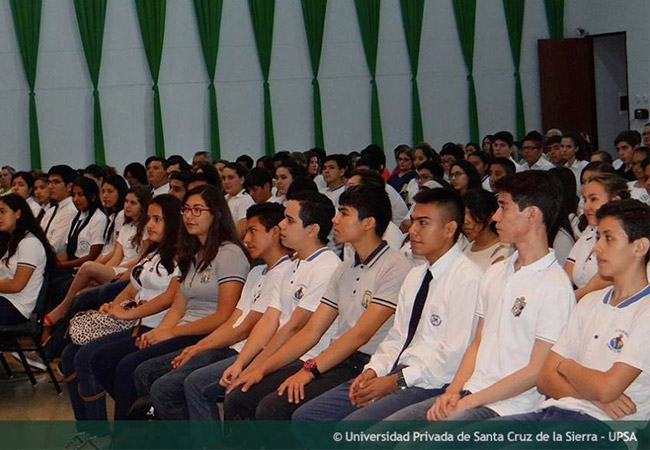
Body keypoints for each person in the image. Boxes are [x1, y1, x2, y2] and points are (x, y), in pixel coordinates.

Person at [387, 171, 575, 422]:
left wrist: (470, 400)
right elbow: (477, 342)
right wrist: (454, 391)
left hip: (513, 406)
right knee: (379, 436)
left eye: (503, 207)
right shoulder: (497, 272)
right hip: (470, 391)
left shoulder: (555, 285)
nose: (495, 217)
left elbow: (537, 370)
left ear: (532, 214)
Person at [292, 188, 483, 422]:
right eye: (413, 222)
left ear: (450, 229)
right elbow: (397, 337)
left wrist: (393, 382)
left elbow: (450, 358)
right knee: (307, 416)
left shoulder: (467, 278)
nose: (412, 231)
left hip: (433, 383)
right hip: (395, 372)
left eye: (423, 223)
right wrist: (374, 371)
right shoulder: (416, 275)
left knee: (353, 426)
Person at [229, 185, 412, 421]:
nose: (335, 219)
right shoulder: (345, 267)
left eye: (344, 213)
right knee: (247, 394)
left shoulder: (394, 267)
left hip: (371, 363)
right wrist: (259, 369)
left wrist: (309, 371)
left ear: (368, 223)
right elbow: (312, 331)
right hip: (340, 359)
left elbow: (360, 335)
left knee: (279, 409)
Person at [133, 203, 294, 420]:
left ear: (275, 232)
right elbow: (234, 321)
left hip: (252, 351)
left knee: (179, 385)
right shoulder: (257, 272)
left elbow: (244, 328)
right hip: (231, 346)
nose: (246, 239)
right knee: (146, 372)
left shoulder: (285, 273)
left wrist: (198, 349)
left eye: (252, 231)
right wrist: (198, 347)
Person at [506, 199, 650, 425]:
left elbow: (607, 387)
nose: (597, 247)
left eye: (609, 238)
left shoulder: (645, 310)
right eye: (598, 237)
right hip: (556, 410)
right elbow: (545, 379)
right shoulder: (589, 302)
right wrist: (595, 396)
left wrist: (565, 366)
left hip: (604, 427)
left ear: (640, 247)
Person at [59, 194, 182, 422]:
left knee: (87, 357)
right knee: (68, 354)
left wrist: (128, 312)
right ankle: (87, 428)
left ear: (174, 222)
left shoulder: (181, 257)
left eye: (158, 219)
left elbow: (169, 298)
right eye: (149, 219)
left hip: (153, 325)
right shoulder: (154, 253)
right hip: (131, 320)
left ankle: (105, 430)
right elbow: (132, 288)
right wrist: (112, 306)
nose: (150, 225)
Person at [222, 191, 341, 420]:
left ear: (312, 230)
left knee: (257, 402)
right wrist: (244, 365)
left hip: (308, 356)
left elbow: (294, 328)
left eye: (289, 220)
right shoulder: (292, 265)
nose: (281, 225)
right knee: (238, 392)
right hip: (284, 351)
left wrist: (259, 368)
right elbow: (270, 320)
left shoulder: (327, 267)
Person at [44, 186, 151, 327]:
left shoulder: (146, 228)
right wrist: (101, 271)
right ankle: (64, 328)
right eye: (126, 202)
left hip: (129, 270)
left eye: (133, 203)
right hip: (117, 268)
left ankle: (62, 308)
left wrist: (109, 270)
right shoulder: (126, 227)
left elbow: (142, 259)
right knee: (79, 293)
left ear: (143, 206)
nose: (127, 206)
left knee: (87, 266)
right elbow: (116, 256)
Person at [566, 173, 630, 301]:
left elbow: (591, 289)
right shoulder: (587, 236)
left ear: (615, 201)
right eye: (585, 200)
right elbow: (566, 276)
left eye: (593, 199)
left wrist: (563, 301)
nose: (586, 207)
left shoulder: (628, 239)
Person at [48, 177, 108, 310]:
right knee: (48, 277)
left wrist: (62, 265)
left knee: (61, 286)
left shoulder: (99, 218)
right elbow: (69, 249)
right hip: (72, 265)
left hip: (83, 268)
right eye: (74, 195)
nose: (76, 199)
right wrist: (55, 263)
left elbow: (93, 255)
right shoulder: (78, 217)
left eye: (80, 195)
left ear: (92, 196)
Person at [0, 194, 57, 325]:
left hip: (16, 306)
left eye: (3, 212)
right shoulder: (12, 240)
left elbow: (16, 285)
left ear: (18, 213)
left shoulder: (30, 243)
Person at [462, 188, 512, 271]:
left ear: (490, 217)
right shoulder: (465, 249)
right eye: (463, 214)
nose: (465, 221)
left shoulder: (503, 252)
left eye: (473, 214)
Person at [40, 165, 78, 257]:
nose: (50, 186)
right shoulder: (51, 210)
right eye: (49, 182)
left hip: (54, 263)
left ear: (69, 186)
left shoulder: (71, 210)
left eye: (56, 182)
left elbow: (56, 248)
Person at [221, 162, 255, 235]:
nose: (226, 182)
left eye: (231, 177)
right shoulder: (224, 198)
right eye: (223, 178)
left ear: (242, 179)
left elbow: (240, 232)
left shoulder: (245, 200)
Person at [562, 131, 590, 196]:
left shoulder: (585, 166)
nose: (564, 150)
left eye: (568, 147)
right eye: (562, 146)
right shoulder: (564, 167)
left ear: (576, 148)